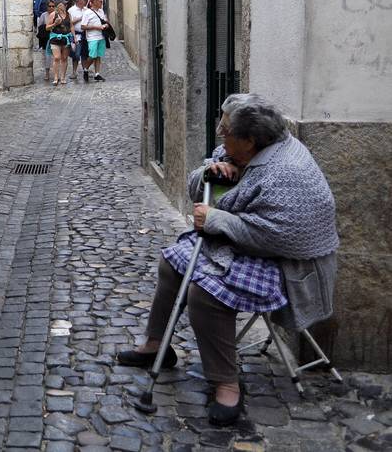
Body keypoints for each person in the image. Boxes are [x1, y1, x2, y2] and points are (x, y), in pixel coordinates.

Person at [116, 94, 339, 426]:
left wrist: (218, 220)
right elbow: (197, 187)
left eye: (226, 129)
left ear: (250, 140)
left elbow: (277, 237)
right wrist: (211, 173)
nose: (220, 131)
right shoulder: (240, 151)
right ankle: (156, 345)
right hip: (237, 244)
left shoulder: (286, 173)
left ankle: (226, 383)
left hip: (285, 265)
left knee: (204, 294)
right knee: (171, 264)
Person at [82, 0, 108, 81]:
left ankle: (97, 74)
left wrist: (106, 24)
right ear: (93, 3)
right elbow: (83, 26)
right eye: (100, 1)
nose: (101, 3)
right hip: (92, 37)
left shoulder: (101, 11)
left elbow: (104, 20)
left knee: (98, 56)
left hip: (101, 36)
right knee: (92, 55)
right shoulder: (87, 13)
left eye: (101, 1)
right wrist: (96, 27)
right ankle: (85, 69)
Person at [47, 2, 73, 86]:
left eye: (64, 5)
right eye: (61, 4)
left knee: (64, 58)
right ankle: (55, 77)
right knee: (57, 57)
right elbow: (47, 27)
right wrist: (55, 24)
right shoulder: (53, 14)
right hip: (55, 39)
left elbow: (71, 26)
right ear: (58, 5)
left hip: (66, 39)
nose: (63, 6)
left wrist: (74, 37)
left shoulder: (68, 14)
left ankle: (63, 77)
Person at [69, 0, 88, 81]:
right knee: (76, 55)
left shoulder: (86, 10)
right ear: (79, 1)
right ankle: (74, 71)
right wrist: (79, 18)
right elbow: (69, 23)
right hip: (76, 35)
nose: (85, 2)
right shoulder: (71, 10)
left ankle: (85, 71)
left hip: (86, 35)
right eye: (83, 0)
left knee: (85, 54)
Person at [37, 0, 56, 81]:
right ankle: (47, 73)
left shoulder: (57, 15)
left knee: (56, 56)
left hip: (55, 37)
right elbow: (40, 27)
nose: (51, 8)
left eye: (53, 6)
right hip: (46, 38)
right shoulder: (43, 15)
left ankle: (56, 74)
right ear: (47, 7)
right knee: (47, 56)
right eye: (50, 6)